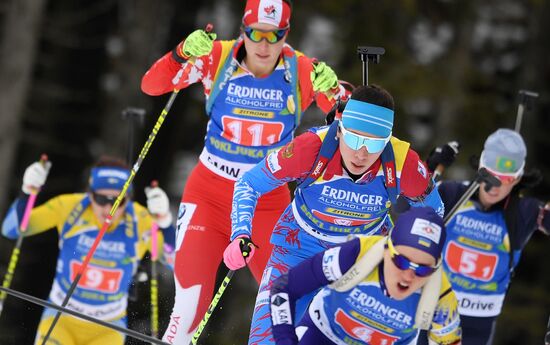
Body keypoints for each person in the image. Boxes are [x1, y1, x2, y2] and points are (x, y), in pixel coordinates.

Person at [140, 0, 348, 342]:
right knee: (188, 306)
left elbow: (348, 127)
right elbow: (152, 85)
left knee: (288, 302)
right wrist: (181, 53)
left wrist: (336, 91)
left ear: (286, 34)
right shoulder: (216, 58)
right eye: (257, 34)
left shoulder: (301, 71)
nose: (264, 46)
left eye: (275, 36)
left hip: (267, 200)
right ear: (244, 31)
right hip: (209, 194)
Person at [224, 84, 445, 344]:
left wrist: (407, 253)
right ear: (339, 129)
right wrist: (240, 233)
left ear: (387, 140)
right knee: (267, 338)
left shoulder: (404, 164)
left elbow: (434, 215)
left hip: (362, 258)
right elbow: (250, 183)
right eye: (354, 138)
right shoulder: (309, 149)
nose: (362, 152)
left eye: (374, 144)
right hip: (298, 248)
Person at [1, 156, 175, 345]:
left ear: (128, 199)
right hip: (60, 319)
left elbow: (176, 263)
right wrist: (27, 191)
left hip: (108, 328)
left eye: (118, 200)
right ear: (90, 194)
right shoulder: (70, 207)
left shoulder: (140, 220)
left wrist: (165, 223)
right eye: (101, 199)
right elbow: (12, 229)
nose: (109, 208)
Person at [422, 128, 550, 345]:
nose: (495, 187)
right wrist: (428, 170)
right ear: (481, 168)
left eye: (506, 179)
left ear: (517, 178)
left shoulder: (522, 212)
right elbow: (407, 207)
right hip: (432, 307)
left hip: (478, 323)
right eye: (491, 176)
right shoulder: (453, 194)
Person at [269, 207, 462, 345]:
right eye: (402, 262)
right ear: (387, 249)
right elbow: (284, 288)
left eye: (423, 269)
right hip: (323, 335)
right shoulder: (356, 255)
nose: (409, 276)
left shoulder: (441, 298)